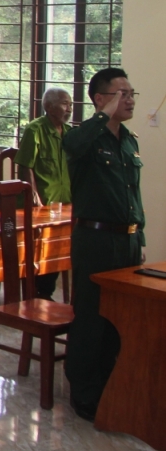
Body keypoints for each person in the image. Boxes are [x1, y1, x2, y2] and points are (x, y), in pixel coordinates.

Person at [63, 68, 143, 423]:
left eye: (132, 94)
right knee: (92, 318)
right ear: (100, 99)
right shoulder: (84, 138)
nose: (130, 100)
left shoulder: (129, 140)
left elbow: (132, 195)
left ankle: (111, 384)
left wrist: (139, 238)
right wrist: (102, 116)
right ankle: (84, 391)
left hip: (127, 240)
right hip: (95, 240)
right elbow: (72, 145)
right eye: (122, 94)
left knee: (118, 318)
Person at [15, 87, 73, 300]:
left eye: (71, 104)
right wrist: (33, 195)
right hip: (42, 203)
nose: (69, 109)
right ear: (48, 106)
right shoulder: (35, 129)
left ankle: (45, 292)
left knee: (58, 249)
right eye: (65, 104)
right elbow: (25, 165)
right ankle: (37, 293)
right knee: (38, 251)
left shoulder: (69, 132)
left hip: (63, 202)